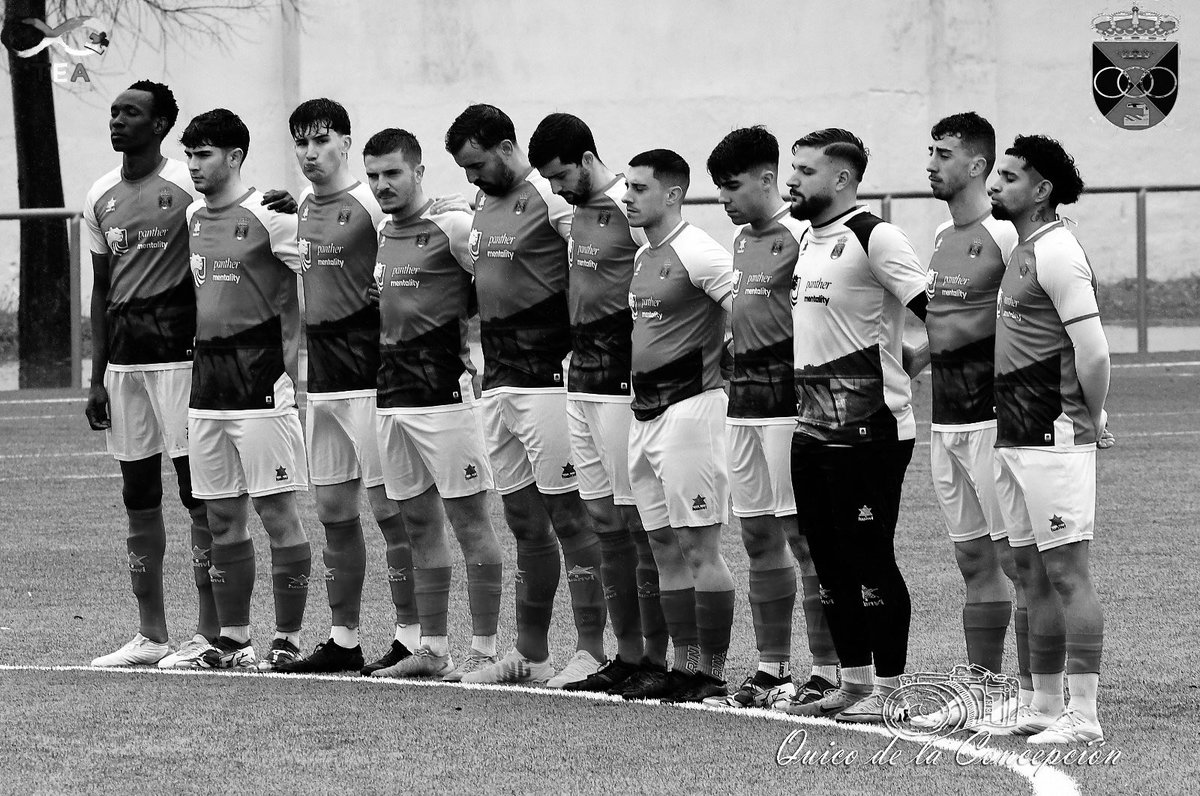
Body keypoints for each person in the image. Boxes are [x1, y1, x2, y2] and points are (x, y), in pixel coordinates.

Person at [83, 81, 292, 668]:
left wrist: (278, 202)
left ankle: (208, 631)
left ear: (161, 125)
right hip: (125, 367)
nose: (118, 121)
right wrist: (96, 376)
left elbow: (242, 215)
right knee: (137, 495)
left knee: (199, 497)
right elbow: (102, 291)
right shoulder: (99, 194)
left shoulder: (188, 188)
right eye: (115, 112)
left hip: (182, 362)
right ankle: (150, 634)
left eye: (132, 113)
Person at [445, 104, 606, 686]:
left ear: (508, 146)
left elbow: (605, 255)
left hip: (547, 379)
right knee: (521, 520)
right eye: (464, 168)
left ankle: (590, 650)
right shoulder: (479, 203)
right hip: (497, 381)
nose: (472, 177)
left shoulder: (555, 198)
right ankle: (531, 654)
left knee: (570, 515)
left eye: (478, 164)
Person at [784, 128, 929, 723]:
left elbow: (939, 313)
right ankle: (855, 682)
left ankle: (891, 690)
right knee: (826, 560)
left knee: (870, 557)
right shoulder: (806, 239)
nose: (792, 180)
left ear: (841, 179)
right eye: (792, 168)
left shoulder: (876, 236)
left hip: (870, 432)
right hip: (811, 430)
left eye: (805, 170)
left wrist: (907, 368)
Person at [272, 99, 418, 676]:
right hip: (323, 379)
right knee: (334, 511)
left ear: (346, 145)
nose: (310, 154)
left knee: (389, 512)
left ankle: (411, 635)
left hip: (370, 377)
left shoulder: (371, 205)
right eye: (301, 143)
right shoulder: (302, 206)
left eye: (321, 141)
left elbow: (415, 247)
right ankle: (343, 638)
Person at [527, 112, 669, 695]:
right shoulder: (571, 206)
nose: (556, 189)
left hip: (620, 384)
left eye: (562, 176)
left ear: (587, 160)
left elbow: (678, 267)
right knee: (604, 523)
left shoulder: (630, 210)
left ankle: (656, 658)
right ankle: (625, 653)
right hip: (578, 380)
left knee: (636, 524)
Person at [702, 126, 840, 710]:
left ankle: (830, 673)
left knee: (805, 541)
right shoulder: (739, 242)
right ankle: (771, 670)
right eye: (718, 190)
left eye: (732, 187)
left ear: (766, 179)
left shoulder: (801, 237)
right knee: (757, 535)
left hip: (791, 405)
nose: (724, 200)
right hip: (742, 405)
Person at [361, 127, 506, 681]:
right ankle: (433, 650)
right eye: (374, 176)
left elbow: (493, 282)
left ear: (418, 172)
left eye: (393, 173)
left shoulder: (452, 223)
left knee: (471, 524)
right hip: (392, 393)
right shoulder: (381, 229)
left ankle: (486, 654)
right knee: (417, 524)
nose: (382, 186)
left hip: (445, 394)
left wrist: (482, 353)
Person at [989, 134, 1111, 744]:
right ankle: (1042, 703)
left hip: (1053, 432)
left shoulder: (1060, 252)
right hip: (1014, 432)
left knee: (1067, 571)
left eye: (1009, 177)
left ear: (1041, 191)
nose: (994, 184)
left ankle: (1083, 716)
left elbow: (1092, 351)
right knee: (1026, 570)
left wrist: (1094, 416)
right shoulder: (1023, 247)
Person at [180, 108, 311, 670]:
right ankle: (233, 639)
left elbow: (335, 242)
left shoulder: (273, 215)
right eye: (188, 154)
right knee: (220, 518)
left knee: (277, 513)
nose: (194, 166)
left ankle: (288, 639)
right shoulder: (191, 216)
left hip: (261, 383)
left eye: (204, 154)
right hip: (206, 387)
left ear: (234, 157)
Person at [622, 148, 736, 703]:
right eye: (627, 187)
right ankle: (682, 665)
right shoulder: (647, 255)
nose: (628, 197)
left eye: (639, 188)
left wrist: (732, 359)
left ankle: (710, 672)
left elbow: (753, 313)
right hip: (644, 414)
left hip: (692, 411)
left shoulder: (701, 252)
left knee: (699, 546)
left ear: (672, 194)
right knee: (663, 543)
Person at [922, 111, 1024, 694]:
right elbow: (946, 327)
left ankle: (1038, 693)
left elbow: (1035, 321)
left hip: (994, 420)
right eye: (930, 152)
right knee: (973, 562)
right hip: (946, 420)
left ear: (977, 166)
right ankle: (985, 690)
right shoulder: (940, 237)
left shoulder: (1006, 235)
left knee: (1017, 562)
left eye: (942, 153)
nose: (930, 164)